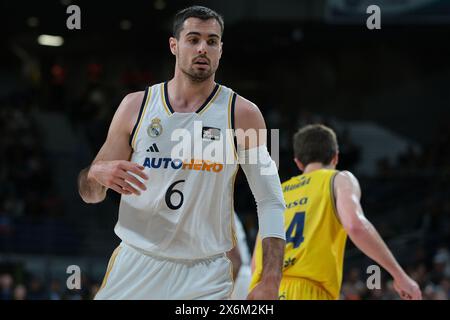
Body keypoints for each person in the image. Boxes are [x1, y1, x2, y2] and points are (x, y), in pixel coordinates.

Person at [77, 6, 285, 300]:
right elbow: (90, 194)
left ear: (221, 50)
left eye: (212, 41)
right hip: (136, 261)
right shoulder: (134, 106)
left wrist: (271, 278)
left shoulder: (245, 114)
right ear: (174, 45)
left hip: (205, 272)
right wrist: (95, 174)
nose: (203, 48)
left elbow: (271, 199)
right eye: (193, 39)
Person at [249, 124, 422, 300]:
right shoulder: (339, 179)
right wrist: (400, 276)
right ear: (335, 157)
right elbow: (355, 226)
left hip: (263, 293)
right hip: (308, 290)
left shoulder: (278, 192)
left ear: (298, 162)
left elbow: (256, 263)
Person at [226, 212, 252, 300]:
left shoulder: (218, 209)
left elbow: (235, 260)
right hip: (239, 274)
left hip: (237, 277)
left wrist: (226, 293)